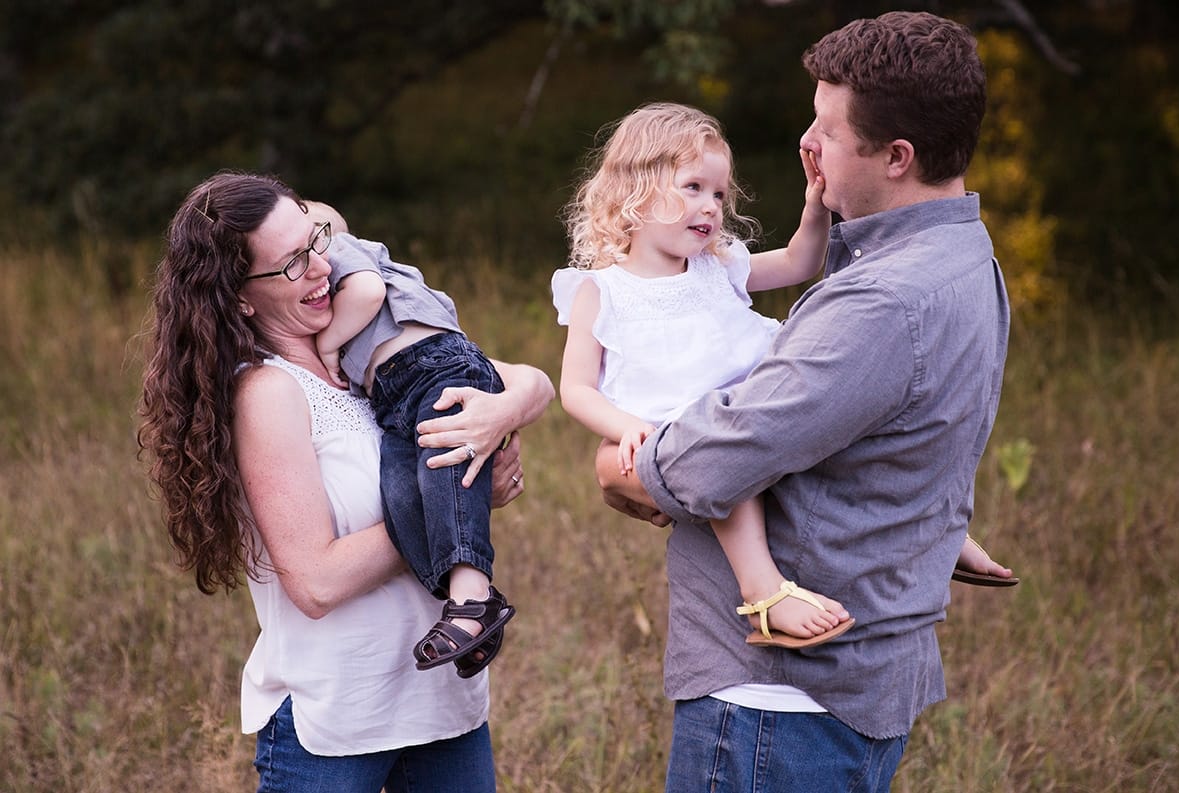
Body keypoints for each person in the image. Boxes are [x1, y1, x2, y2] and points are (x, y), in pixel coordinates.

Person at [596, 12, 1012, 791]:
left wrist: (617, 464)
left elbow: (705, 466)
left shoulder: (881, 303)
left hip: (778, 706)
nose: (806, 144)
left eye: (826, 128)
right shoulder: (965, 256)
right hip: (852, 683)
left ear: (896, 156)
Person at [138, 171, 554, 791]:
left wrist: (502, 413)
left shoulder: (368, 353)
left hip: (443, 709)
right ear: (240, 298)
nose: (320, 268)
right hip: (337, 727)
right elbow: (317, 582)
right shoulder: (269, 391)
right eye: (291, 265)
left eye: (316, 243)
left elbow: (532, 379)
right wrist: (457, 505)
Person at [553, 101, 854, 648]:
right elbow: (574, 389)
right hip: (682, 431)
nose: (711, 207)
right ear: (634, 192)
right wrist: (627, 427)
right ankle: (763, 593)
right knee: (721, 456)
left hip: (759, 406)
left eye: (718, 194)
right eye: (693, 187)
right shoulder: (602, 290)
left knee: (841, 421)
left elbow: (797, 263)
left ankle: (933, 530)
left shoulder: (717, 266)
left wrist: (815, 206)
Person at [306, 199, 515, 676]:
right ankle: (476, 604)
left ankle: (470, 604)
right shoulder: (325, 261)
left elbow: (367, 291)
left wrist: (328, 343)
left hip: (435, 365)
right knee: (401, 499)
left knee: (443, 476)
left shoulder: (340, 249)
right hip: (394, 397)